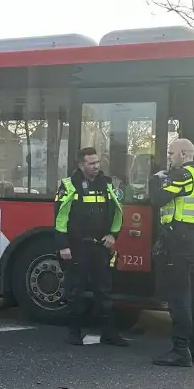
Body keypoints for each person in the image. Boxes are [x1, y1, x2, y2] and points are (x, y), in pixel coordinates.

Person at [150, 138, 194, 367]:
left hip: (179, 242)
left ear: (183, 153)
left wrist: (157, 180)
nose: (169, 158)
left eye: (171, 153)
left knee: (179, 298)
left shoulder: (181, 176)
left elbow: (158, 200)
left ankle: (180, 350)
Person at [54, 147, 129, 347]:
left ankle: (109, 333)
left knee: (104, 290)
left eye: (97, 162)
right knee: (75, 290)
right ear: (81, 165)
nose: (97, 166)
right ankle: (74, 332)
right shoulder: (69, 185)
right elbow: (61, 218)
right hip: (77, 246)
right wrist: (63, 246)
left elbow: (116, 211)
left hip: (100, 246)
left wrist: (113, 235)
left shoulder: (107, 184)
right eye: (91, 163)